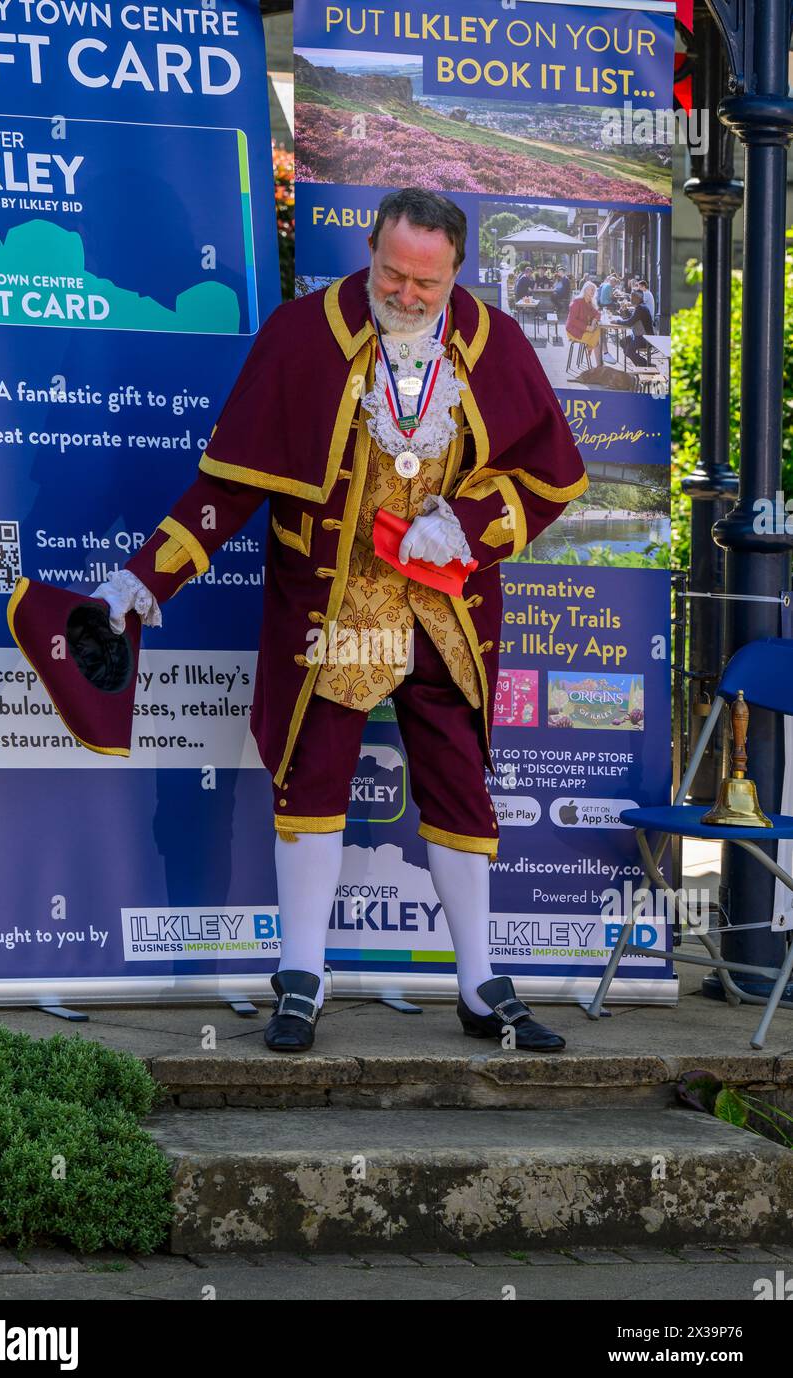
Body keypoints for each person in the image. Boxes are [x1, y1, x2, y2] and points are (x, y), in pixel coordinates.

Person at [35, 188, 589, 1054]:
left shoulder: (496, 343)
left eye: (426, 285)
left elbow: (549, 478)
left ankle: (481, 984)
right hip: (334, 605)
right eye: (393, 274)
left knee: (460, 789)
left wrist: (468, 527)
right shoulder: (302, 335)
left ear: (457, 274)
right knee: (312, 782)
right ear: (369, 247)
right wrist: (143, 583)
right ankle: (303, 976)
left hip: (445, 609)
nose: (405, 296)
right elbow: (230, 484)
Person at [564, 281, 603, 370]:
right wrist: (587, 327)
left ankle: (598, 365)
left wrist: (593, 321)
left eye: (593, 290)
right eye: (590, 290)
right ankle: (599, 367)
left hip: (584, 330)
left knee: (597, 332)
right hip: (573, 330)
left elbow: (598, 314)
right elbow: (572, 320)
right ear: (585, 290)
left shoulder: (590, 303)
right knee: (596, 340)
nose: (592, 292)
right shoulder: (577, 302)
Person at [613, 289, 654, 367]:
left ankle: (646, 365)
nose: (630, 299)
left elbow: (629, 323)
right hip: (638, 336)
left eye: (632, 297)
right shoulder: (640, 307)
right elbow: (632, 318)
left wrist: (617, 321)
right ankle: (638, 363)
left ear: (638, 298)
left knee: (629, 351)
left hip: (645, 338)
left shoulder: (641, 308)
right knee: (623, 342)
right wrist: (625, 311)